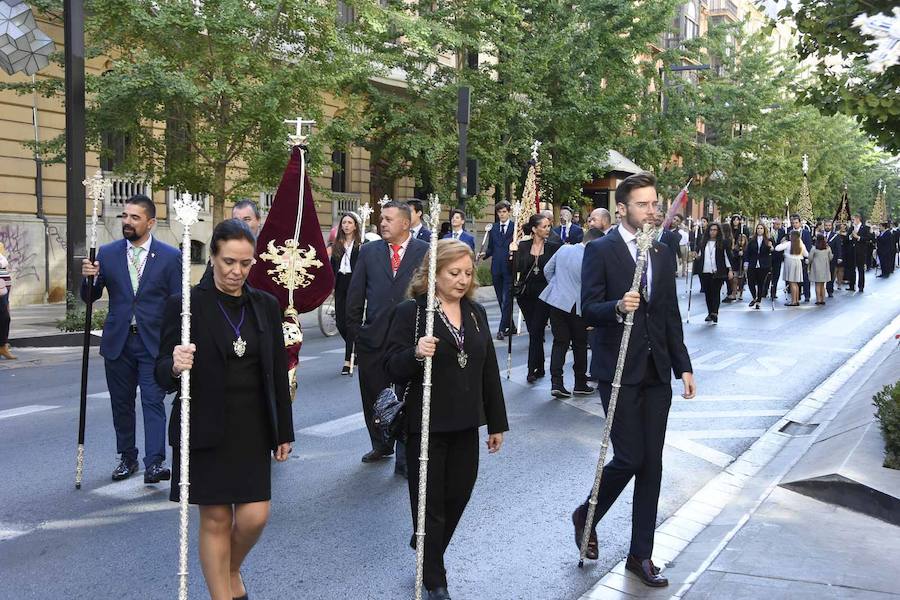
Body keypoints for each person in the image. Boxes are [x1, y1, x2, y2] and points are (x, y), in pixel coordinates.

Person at [156, 219, 293, 600]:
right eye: (229, 261)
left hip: (252, 425)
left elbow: (278, 372)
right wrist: (175, 363)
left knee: (255, 516)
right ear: (212, 257)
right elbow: (159, 376)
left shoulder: (265, 305)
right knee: (215, 518)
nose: (237, 271)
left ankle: (228, 567)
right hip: (203, 424)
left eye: (246, 264)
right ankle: (223, 593)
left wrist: (284, 429)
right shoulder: (185, 307)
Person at [572, 172, 695, 587]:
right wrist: (617, 307)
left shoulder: (660, 251)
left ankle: (640, 555)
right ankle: (587, 513)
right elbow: (588, 308)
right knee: (629, 456)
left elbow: (668, 314)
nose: (652, 210)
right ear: (622, 208)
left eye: (655, 203)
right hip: (618, 369)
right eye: (643, 204)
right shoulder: (601, 250)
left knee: (652, 466)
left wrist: (683, 365)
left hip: (657, 371)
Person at [384, 239, 508, 600]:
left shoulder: (474, 312)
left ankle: (425, 543)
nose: (462, 280)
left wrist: (496, 423)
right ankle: (435, 577)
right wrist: (416, 353)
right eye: (454, 273)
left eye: (468, 274)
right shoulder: (413, 313)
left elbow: (488, 370)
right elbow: (390, 365)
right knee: (430, 503)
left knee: (458, 496)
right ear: (433, 274)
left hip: (466, 422)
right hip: (426, 425)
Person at [81, 194, 181, 483]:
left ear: (150, 222)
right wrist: (88, 277)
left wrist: (175, 342)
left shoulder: (170, 257)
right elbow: (91, 297)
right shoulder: (108, 253)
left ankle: (155, 463)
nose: (127, 221)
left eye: (134, 217)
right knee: (121, 403)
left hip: (153, 343)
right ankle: (127, 458)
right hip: (119, 341)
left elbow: (178, 303)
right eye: (125, 216)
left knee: (152, 401)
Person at [347, 201, 428, 471]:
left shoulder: (425, 251)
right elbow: (355, 295)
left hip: (408, 339)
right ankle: (380, 444)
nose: (382, 223)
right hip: (374, 337)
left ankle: (405, 456)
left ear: (405, 223)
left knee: (406, 395)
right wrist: (356, 334)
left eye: (389, 219)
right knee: (374, 393)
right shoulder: (368, 252)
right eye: (381, 218)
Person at [539, 227, 601, 398]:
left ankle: (556, 382)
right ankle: (580, 383)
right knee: (579, 345)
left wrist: (556, 286)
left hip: (557, 302)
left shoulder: (564, 248)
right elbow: (591, 285)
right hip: (578, 305)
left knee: (560, 343)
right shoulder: (591, 257)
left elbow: (547, 270)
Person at [513, 213, 561, 383]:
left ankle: (531, 368)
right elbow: (517, 268)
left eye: (549, 226)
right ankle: (538, 366)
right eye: (544, 227)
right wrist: (512, 253)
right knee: (535, 331)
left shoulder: (554, 246)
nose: (548, 229)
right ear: (534, 229)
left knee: (536, 329)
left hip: (545, 293)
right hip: (526, 294)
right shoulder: (523, 245)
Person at [330, 212, 362, 375]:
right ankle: (356, 345)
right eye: (344, 223)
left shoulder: (360, 245)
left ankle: (348, 359)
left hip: (354, 283)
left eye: (350, 222)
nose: (347, 225)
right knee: (341, 323)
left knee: (351, 322)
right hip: (341, 283)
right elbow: (331, 267)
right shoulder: (337, 244)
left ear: (355, 225)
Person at [480, 201, 516, 340]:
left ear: (509, 212)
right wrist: (485, 255)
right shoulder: (493, 228)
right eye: (499, 212)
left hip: (509, 268)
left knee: (507, 299)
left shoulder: (514, 227)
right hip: (496, 268)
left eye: (504, 212)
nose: (501, 214)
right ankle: (511, 325)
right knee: (501, 299)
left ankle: (502, 329)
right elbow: (491, 248)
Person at [694, 222, 733, 323]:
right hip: (705, 271)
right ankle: (709, 312)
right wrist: (695, 256)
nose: (713, 232)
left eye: (715, 230)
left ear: (718, 231)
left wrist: (730, 270)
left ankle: (715, 312)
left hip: (717, 271)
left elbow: (726, 257)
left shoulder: (723, 243)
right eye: (711, 230)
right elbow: (699, 255)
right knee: (708, 293)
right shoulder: (703, 242)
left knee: (715, 292)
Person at [775, 230, 808, 306]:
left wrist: (782, 243)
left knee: (792, 282)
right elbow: (806, 254)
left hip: (790, 262)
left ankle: (793, 301)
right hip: (798, 262)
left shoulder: (788, 243)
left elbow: (777, 248)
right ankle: (796, 300)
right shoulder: (801, 244)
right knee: (795, 283)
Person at [743, 224, 773, 308]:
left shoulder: (768, 240)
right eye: (758, 228)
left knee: (761, 283)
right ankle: (754, 297)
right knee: (751, 282)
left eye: (761, 228)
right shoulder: (752, 240)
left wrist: (770, 247)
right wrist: (746, 263)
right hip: (752, 263)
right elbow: (747, 252)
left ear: (764, 230)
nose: (759, 230)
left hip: (763, 265)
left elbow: (772, 251)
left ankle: (758, 301)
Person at [788, 214, 813, 301]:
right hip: (792, 258)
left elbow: (808, 245)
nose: (795, 224)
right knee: (794, 278)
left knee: (805, 277)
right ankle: (796, 296)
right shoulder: (789, 232)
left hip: (802, 258)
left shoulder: (805, 233)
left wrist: (807, 258)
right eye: (793, 223)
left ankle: (807, 295)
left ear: (800, 223)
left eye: (796, 223)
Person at [845, 214, 872, 292]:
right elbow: (847, 238)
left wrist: (858, 237)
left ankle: (861, 286)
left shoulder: (866, 228)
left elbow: (868, 238)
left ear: (858, 219)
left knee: (860, 269)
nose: (853, 221)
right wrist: (851, 236)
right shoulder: (851, 228)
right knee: (851, 269)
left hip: (861, 251)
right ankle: (852, 285)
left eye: (854, 219)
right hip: (852, 251)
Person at [808, 234, 834, 305]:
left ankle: (818, 299)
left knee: (817, 284)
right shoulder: (827, 248)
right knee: (823, 285)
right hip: (825, 268)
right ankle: (823, 299)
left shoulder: (814, 248)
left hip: (816, 268)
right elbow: (831, 257)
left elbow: (810, 258)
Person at [0, 243, 14, 360]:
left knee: (5, 317)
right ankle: (2, 346)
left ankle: (2, 346)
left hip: (4, 290)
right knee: (4, 317)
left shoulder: (0, 246)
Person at [769, 217, 787, 299]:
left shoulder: (782, 231)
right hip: (769, 256)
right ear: (773, 224)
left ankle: (773, 292)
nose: (779, 226)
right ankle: (764, 291)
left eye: (780, 224)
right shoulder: (768, 231)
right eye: (777, 224)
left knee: (776, 275)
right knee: (768, 274)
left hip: (778, 256)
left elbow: (783, 242)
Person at [823, 220, 842, 296]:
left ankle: (830, 290)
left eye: (829, 225)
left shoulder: (835, 236)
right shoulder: (820, 234)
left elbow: (838, 247)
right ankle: (821, 290)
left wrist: (839, 257)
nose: (827, 227)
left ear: (831, 226)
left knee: (831, 274)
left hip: (832, 258)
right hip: (821, 258)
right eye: (826, 225)